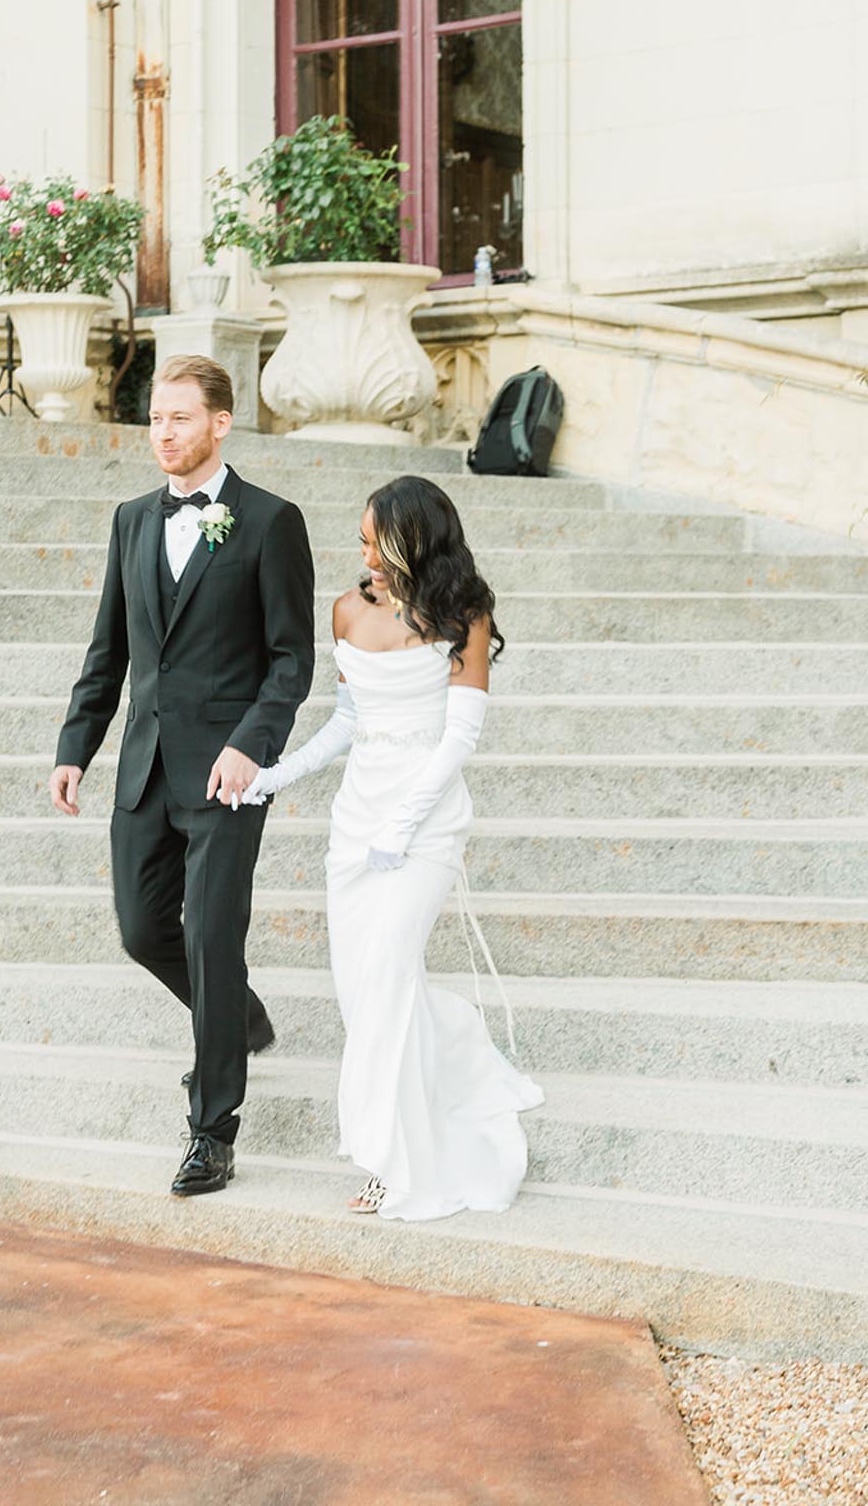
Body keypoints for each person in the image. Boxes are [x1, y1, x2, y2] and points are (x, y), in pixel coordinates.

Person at [238, 475, 543, 1219]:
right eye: (364, 539)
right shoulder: (347, 610)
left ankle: (391, 1162)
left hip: (427, 827)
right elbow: (348, 719)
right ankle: (461, 1049)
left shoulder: (466, 615)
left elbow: (460, 736)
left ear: (417, 538)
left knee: (385, 982)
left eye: (377, 538)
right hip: (355, 824)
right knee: (361, 992)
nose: (364, 552)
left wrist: (404, 826)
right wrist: (281, 773)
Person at [50, 354, 316, 1198]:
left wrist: (253, 745)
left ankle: (211, 1131)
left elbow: (291, 661)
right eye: (156, 420)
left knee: (209, 935)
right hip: (144, 767)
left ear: (220, 424)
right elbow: (110, 650)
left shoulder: (271, 522)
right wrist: (74, 745)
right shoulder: (132, 520)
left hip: (228, 776)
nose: (163, 434)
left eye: (179, 419)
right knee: (140, 928)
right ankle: (236, 1016)